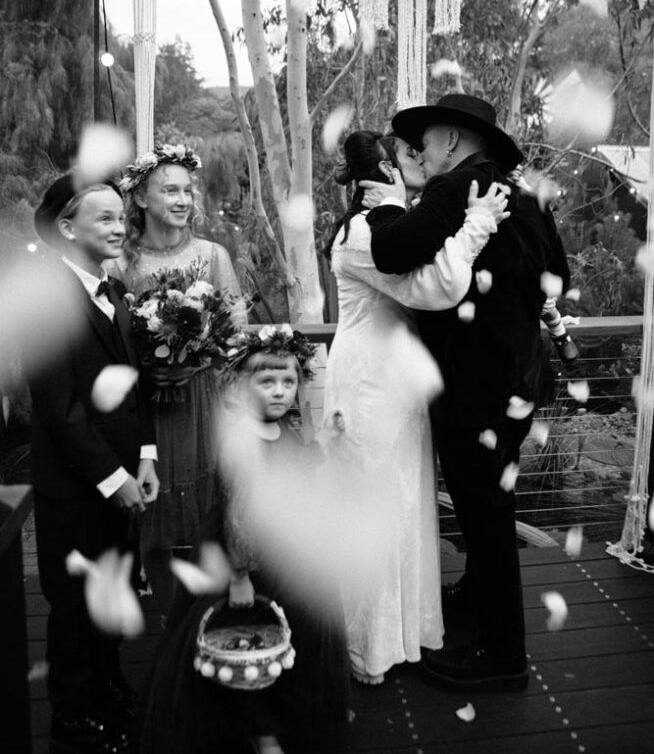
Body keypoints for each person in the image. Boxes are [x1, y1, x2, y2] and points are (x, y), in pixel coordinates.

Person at [362, 94, 571, 691]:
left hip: (473, 385)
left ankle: (503, 655)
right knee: (492, 502)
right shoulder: (526, 191)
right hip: (519, 379)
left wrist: (391, 208)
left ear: (452, 141)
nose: (419, 153)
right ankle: (479, 595)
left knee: (485, 514)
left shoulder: (459, 187)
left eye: (424, 141)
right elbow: (560, 273)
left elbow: (389, 251)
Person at [322, 129, 510, 685]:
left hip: (399, 384)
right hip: (369, 383)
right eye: (401, 162)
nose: (412, 167)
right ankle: (366, 647)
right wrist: (477, 223)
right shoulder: (363, 232)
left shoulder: (391, 226)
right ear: (380, 176)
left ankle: (408, 632)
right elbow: (432, 288)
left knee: (406, 504)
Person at [139, 326, 350, 754]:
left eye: (288, 382)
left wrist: (322, 442)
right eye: (266, 381)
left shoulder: (281, 429)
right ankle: (259, 729)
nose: (278, 392)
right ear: (241, 384)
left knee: (287, 639)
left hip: (282, 553)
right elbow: (238, 512)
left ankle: (292, 714)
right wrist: (239, 574)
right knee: (246, 642)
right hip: (243, 559)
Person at [28, 175, 158, 754]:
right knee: (77, 607)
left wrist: (147, 457)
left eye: (119, 216)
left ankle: (111, 688)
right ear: (65, 228)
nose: (118, 227)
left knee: (113, 591)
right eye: (103, 218)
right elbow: (61, 410)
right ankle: (73, 716)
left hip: (127, 477)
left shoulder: (119, 291)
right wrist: (114, 478)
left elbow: (136, 387)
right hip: (77, 488)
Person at [109, 144, 246, 616]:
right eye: (170, 189)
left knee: (214, 514)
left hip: (205, 402)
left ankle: (212, 618)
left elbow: (237, 333)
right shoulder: (120, 265)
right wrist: (150, 366)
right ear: (141, 198)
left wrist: (201, 356)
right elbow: (110, 344)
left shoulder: (212, 255)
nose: (184, 198)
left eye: (188, 190)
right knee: (155, 521)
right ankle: (172, 623)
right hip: (148, 411)